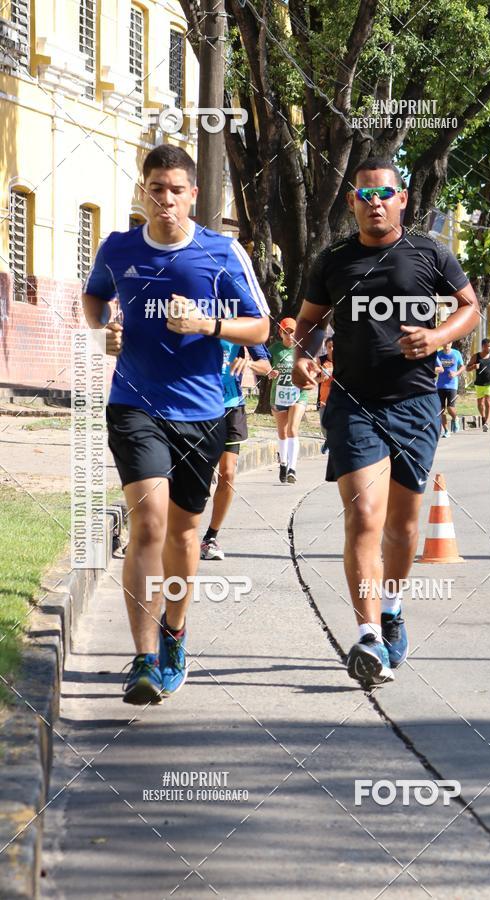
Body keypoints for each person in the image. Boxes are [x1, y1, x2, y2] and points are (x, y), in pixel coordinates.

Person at [83, 144, 269, 704]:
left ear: (193, 195)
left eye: (176, 190)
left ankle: (174, 633)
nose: (166, 199)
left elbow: (259, 328)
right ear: (144, 192)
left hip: (204, 410)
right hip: (134, 404)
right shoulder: (116, 248)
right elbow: (94, 299)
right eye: (156, 188)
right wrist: (103, 330)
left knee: (186, 534)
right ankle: (141, 659)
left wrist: (209, 324)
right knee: (149, 523)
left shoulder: (222, 251)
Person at [291, 156, 479, 687]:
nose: (374, 203)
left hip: (416, 404)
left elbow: (471, 307)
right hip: (353, 405)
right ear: (352, 202)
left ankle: (392, 608)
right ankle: (368, 635)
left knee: (401, 527)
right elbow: (308, 322)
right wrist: (305, 356)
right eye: (364, 195)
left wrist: (438, 337)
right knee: (364, 518)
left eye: (384, 194)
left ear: (402, 201)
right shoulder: (333, 262)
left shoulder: (429, 253)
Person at [200, 341, 271, 560]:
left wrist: (248, 363)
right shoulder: (197, 314)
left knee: (228, 473)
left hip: (232, 405)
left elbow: (266, 366)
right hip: (199, 405)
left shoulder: (242, 320)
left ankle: (210, 538)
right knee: (196, 476)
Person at [268, 318, 310, 483]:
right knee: (282, 432)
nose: (290, 335)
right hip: (278, 395)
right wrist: (269, 372)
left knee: (293, 429)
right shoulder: (273, 350)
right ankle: (283, 464)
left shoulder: (302, 349)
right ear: (281, 332)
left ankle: (292, 469)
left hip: (299, 395)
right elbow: (263, 366)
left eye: (293, 332)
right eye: (287, 332)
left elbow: (311, 368)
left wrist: (310, 377)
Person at [436, 341, 465, 437]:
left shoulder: (456, 353)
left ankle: (455, 418)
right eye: (445, 343)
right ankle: (446, 430)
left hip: (452, 385)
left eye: (448, 343)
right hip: (440, 385)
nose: (446, 345)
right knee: (441, 410)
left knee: (450, 407)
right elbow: (434, 366)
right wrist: (437, 370)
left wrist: (456, 374)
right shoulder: (439, 354)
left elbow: (462, 366)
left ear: (451, 343)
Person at [467, 337, 490, 431]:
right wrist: (474, 366)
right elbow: (467, 368)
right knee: (480, 403)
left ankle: (486, 423)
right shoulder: (476, 356)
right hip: (479, 383)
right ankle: (483, 417)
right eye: (488, 346)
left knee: (488, 402)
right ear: (483, 346)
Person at [317, 335, 334, 452]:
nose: (332, 349)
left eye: (334, 347)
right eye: (329, 347)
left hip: (339, 399)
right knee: (324, 426)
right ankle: (329, 440)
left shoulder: (344, 361)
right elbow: (313, 379)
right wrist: (321, 378)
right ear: (326, 348)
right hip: (323, 399)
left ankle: (332, 443)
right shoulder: (321, 360)